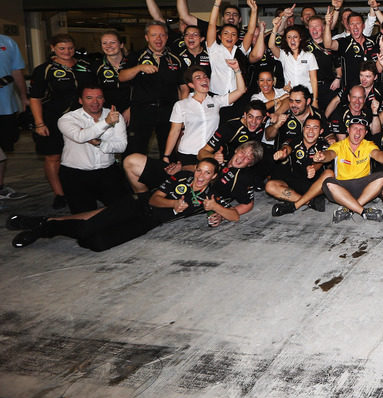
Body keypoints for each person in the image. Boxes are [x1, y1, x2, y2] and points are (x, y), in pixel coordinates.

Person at [8, 157, 251, 251]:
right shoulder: (182, 178)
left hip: (149, 222)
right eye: (200, 170)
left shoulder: (212, 196)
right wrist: (174, 205)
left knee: (96, 243)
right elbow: (155, 198)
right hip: (138, 205)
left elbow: (234, 216)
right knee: (85, 227)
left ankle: (51, 223)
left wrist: (215, 210)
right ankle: (43, 227)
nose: (200, 176)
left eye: (207, 173)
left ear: (213, 177)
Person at [286, 116, 383, 222]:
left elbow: (377, 154)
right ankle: (361, 210)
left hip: (363, 187)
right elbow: (330, 153)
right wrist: (323, 156)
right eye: (355, 128)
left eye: (361, 129)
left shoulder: (368, 145)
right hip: (341, 188)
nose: (357, 132)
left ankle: (350, 208)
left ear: (366, 133)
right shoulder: (339, 145)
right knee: (328, 183)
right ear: (348, 130)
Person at [29, 33, 93, 208]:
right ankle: (59, 194)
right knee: (54, 157)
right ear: (52, 48)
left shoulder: (85, 66)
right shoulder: (44, 69)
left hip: (82, 120)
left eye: (70, 48)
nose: (67, 51)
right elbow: (35, 98)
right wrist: (39, 123)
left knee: (82, 155)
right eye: (62, 48)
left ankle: (83, 189)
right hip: (53, 120)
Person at [56, 86, 129, 213]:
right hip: (75, 174)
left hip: (107, 172)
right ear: (80, 100)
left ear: (104, 99)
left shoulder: (115, 116)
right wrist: (106, 122)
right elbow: (80, 137)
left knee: (125, 213)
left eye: (99, 97)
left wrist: (99, 143)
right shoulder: (68, 119)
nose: (95, 102)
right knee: (85, 219)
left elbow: (121, 146)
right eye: (89, 98)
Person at [120, 21, 185, 156]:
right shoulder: (136, 56)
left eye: (162, 35)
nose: (158, 39)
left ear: (167, 37)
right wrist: (139, 67)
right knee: (136, 149)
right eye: (154, 35)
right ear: (147, 37)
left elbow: (184, 88)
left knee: (169, 152)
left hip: (168, 111)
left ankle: (167, 176)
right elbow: (121, 76)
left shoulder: (176, 59)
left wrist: (183, 112)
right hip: (142, 110)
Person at [265, 116, 331, 216]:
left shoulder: (324, 145)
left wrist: (313, 168)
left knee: (329, 176)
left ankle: (294, 205)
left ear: (321, 131)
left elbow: (322, 158)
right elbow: (287, 148)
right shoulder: (295, 141)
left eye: (315, 128)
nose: (311, 131)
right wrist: (283, 152)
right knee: (270, 186)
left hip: (315, 186)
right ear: (303, 129)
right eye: (308, 127)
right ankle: (309, 202)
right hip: (295, 183)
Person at [270, 6, 319, 107]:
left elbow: (314, 80)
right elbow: (271, 45)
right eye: (289, 37)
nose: (292, 40)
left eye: (295, 37)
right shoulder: (283, 55)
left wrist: (315, 100)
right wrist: (275, 27)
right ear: (286, 40)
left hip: (307, 97)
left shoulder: (309, 56)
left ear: (300, 39)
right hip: (290, 96)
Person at [0, 32, 28, 202]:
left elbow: (16, 73)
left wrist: (24, 97)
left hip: (6, 107)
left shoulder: (7, 42)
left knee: (4, 149)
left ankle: (1, 188)